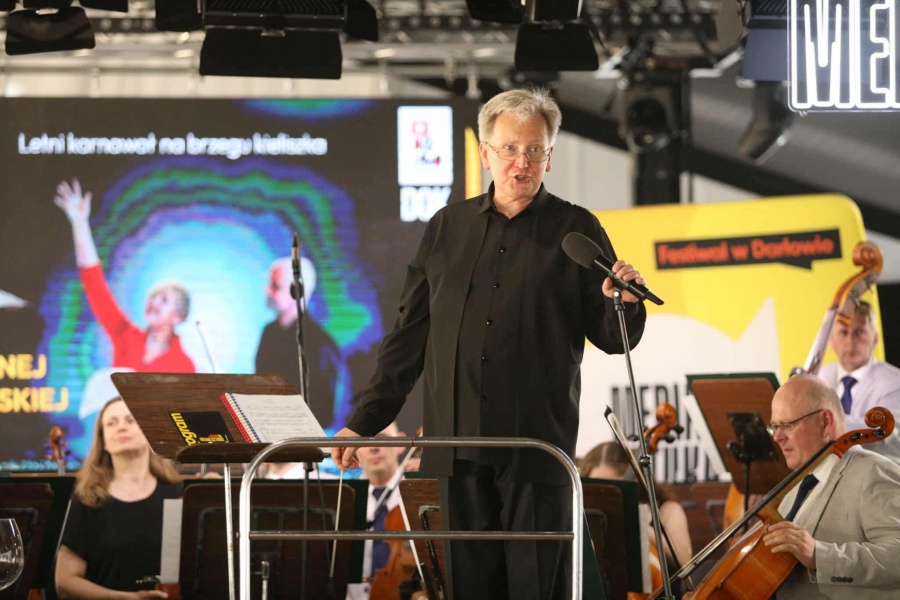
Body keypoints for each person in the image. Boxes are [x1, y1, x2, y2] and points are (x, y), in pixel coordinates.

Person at [331, 88, 648, 600]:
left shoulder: (576, 229)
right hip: (456, 450)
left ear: (550, 156)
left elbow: (613, 338)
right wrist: (364, 421)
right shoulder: (446, 228)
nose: (522, 163)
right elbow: (407, 340)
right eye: (509, 149)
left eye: (535, 150)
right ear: (485, 153)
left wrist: (624, 303)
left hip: (535, 452)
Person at [762, 374, 900, 599]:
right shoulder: (795, 487)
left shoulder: (872, 472)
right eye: (774, 427)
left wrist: (820, 555)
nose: (777, 437)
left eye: (787, 425)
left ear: (825, 422)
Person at [54, 179, 195, 373]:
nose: (153, 302)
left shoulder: (184, 366)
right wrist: (79, 223)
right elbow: (94, 284)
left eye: (164, 300)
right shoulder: (126, 336)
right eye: (153, 296)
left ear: (178, 317)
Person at [56, 397, 183, 599]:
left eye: (131, 420)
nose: (121, 427)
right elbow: (64, 581)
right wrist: (125, 598)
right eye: (111, 423)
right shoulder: (86, 498)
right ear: (104, 441)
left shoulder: (179, 494)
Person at [255, 256, 341, 429]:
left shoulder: (321, 345)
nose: (267, 291)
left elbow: (323, 413)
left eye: (275, 286)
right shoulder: (269, 332)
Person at [579, 441, 692, 568]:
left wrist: (641, 525)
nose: (603, 493)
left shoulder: (667, 509)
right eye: (596, 486)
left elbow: (684, 560)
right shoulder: (582, 511)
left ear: (635, 480)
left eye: (611, 487)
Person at [346, 422, 408, 600]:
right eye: (365, 440)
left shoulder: (418, 493)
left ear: (401, 443)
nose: (373, 447)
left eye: (382, 438)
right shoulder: (345, 497)